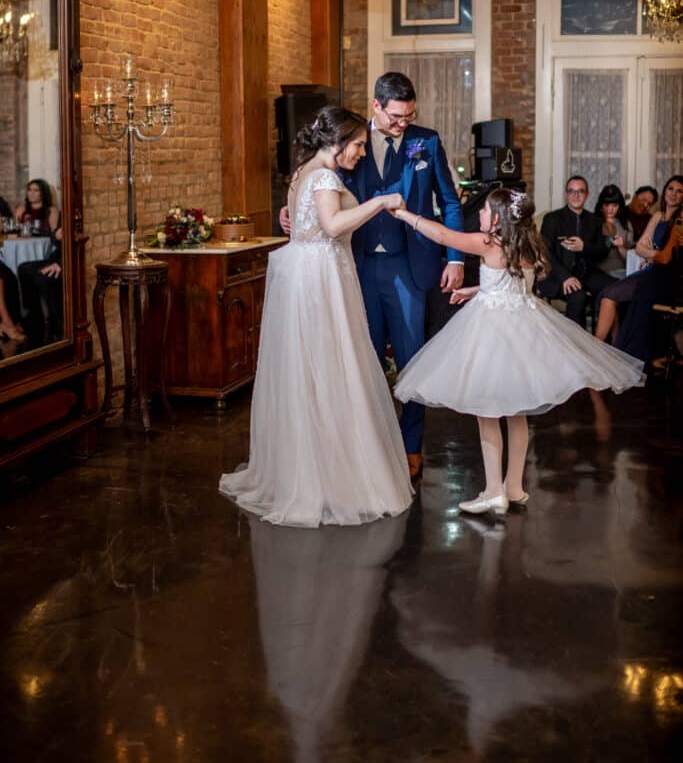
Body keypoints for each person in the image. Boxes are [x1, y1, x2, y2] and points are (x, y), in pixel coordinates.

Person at [390, 188, 644, 516]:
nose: (479, 216)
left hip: (492, 330)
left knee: (487, 411)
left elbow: (441, 234)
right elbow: (512, 283)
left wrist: (405, 215)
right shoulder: (526, 243)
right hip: (523, 327)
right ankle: (514, 486)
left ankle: (493, 491)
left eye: (483, 211)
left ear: (497, 218)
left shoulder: (489, 242)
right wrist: (476, 289)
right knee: (516, 412)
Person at [220, 106, 414, 527]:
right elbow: (330, 225)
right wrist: (381, 201)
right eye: (359, 145)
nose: (362, 153)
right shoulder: (325, 175)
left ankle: (308, 467)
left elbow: (302, 220)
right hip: (320, 280)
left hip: (306, 276)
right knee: (330, 369)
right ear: (338, 139)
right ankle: (330, 477)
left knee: (309, 372)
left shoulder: (303, 171)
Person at [280, 72, 464, 480]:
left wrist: (456, 258)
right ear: (376, 106)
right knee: (359, 359)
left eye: (409, 116)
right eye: (396, 116)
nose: (403, 124)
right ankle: (369, 447)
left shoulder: (426, 142)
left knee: (412, 359)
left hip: (409, 268)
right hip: (355, 264)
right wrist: (292, 209)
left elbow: (449, 201)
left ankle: (411, 445)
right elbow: (320, 183)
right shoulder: (350, 139)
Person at [595, 175, 683, 360]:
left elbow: (666, 258)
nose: (674, 194)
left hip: (668, 277)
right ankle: (605, 351)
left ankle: (609, 354)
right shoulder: (658, 216)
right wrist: (653, 255)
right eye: (670, 189)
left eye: (679, 191)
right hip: (650, 270)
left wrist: (653, 255)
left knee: (611, 294)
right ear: (665, 190)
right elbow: (641, 247)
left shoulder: (680, 219)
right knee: (608, 294)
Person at [537, 175, 612, 328]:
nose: (576, 195)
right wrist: (565, 277)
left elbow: (602, 251)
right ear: (566, 194)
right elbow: (545, 252)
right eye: (572, 191)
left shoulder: (595, 220)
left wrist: (584, 247)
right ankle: (575, 345)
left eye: (580, 191)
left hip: (586, 274)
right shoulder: (552, 218)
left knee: (617, 288)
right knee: (579, 297)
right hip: (557, 275)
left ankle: (607, 343)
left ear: (587, 194)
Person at [18, 227, 64, 345]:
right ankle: (35, 317)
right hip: (57, 256)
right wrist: (56, 236)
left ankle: (57, 324)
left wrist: (61, 264)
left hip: (67, 261)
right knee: (23, 268)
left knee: (43, 276)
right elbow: (54, 240)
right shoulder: (64, 215)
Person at [594, 184, 634, 279]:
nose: (610, 209)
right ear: (601, 205)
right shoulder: (593, 222)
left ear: (620, 206)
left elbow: (631, 261)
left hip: (621, 272)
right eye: (606, 205)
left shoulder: (626, 224)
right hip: (598, 273)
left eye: (615, 205)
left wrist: (621, 247)